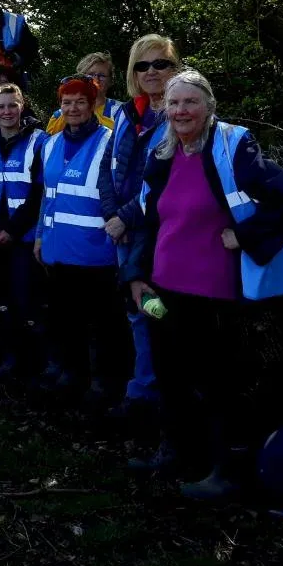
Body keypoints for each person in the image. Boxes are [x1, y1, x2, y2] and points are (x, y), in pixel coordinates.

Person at [124, 70, 283, 500]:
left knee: (219, 383)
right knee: (171, 377)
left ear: (209, 106)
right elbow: (148, 219)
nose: (180, 111)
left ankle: (227, 471)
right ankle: (177, 452)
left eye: (190, 102)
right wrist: (135, 275)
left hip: (217, 294)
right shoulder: (162, 152)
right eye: (173, 103)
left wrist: (245, 235)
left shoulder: (233, 145)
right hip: (164, 289)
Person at [102, 35, 182, 418]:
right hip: (123, 229)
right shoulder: (126, 113)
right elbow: (107, 168)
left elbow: (166, 184)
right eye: (142, 65)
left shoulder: (180, 114)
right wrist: (111, 215)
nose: (151, 72)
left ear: (175, 68)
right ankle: (144, 388)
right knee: (138, 311)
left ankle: (158, 395)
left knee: (158, 312)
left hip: (157, 234)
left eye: (160, 64)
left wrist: (124, 217)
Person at [34, 75, 122, 404]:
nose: (72, 108)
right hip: (58, 249)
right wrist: (40, 236)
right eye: (66, 102)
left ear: (93, 105)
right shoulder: (51, 144)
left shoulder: (110, 142)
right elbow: (47, 196)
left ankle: (102, 382)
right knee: (65, 318)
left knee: (101, 323)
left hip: (97, 252)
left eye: (80, 102)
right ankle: (72, 373)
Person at [0, 84, 47, 378]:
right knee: (1, 296)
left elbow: (40, 192)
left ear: (22, 105)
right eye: (0, 106)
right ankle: (9, 354)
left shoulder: (39, 141)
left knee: (26, 297)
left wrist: (14, 231)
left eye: (12, 105)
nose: (6, 112)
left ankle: (34, 359)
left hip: (23, 238)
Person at [45, 52, 121, 134]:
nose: (96, 79)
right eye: (91, 75)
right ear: (80, 79)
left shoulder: (122, 112)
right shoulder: (58, 117)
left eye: (102, 75)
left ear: (111, 81)